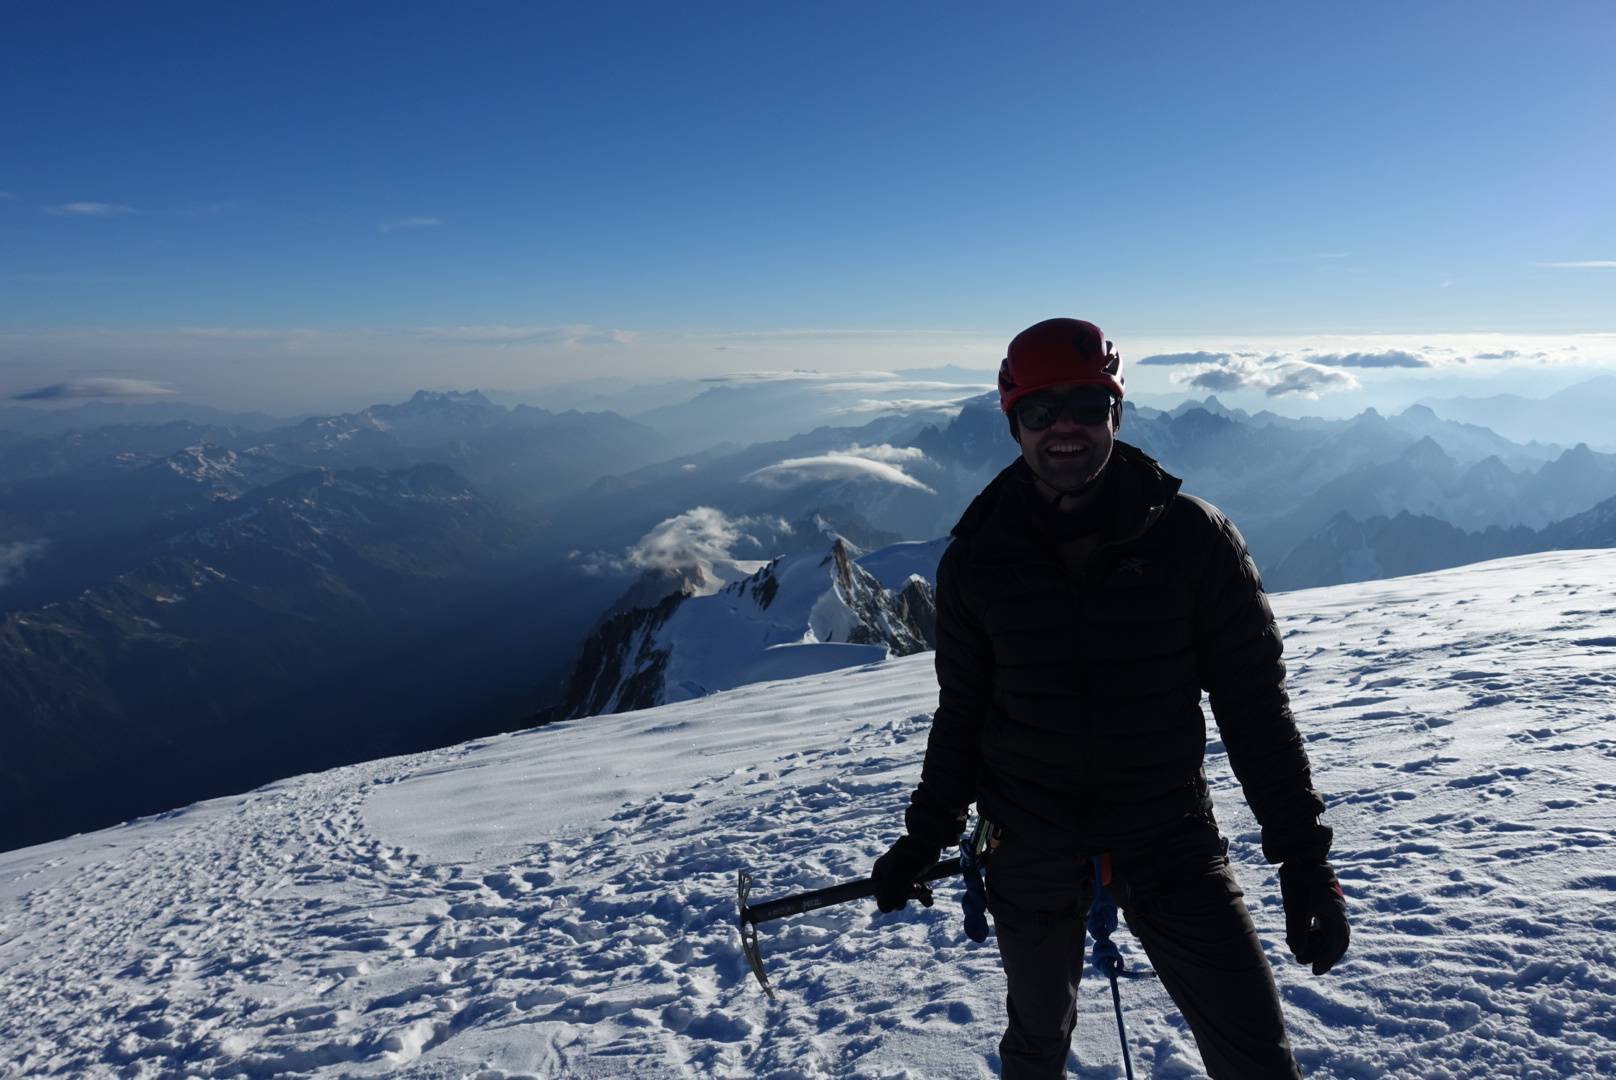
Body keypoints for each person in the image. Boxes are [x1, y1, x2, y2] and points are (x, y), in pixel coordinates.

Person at [870, 318, 1349, 1080]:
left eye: (1086, 405)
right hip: (1028, 841)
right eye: (1040, 410)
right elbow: (964, 712)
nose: (1064, 426)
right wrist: (925, 837)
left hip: (1168, 833)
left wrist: (1304, 861)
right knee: (1035, 1045)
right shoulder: (976, 563)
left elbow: (1255, 708)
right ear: (1013, 424)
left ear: (1116, 413)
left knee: (1258, 1057)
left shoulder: (1194, 541)